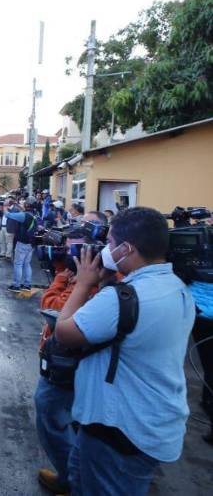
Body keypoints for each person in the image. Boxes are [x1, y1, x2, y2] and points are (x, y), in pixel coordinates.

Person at [55, 207, 196, 495]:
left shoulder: (122, 298)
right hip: (150, 422)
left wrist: (83, 284)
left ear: (126, 248)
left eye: (109, 243)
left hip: (119, 429)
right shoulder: (176, 286)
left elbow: (64, 332)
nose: (105, 249)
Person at [34, 211, 112, 494]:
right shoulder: (81, 276)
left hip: (69, 363)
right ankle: (72, 476)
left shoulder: (93, 283)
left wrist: (66, 281)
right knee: (73, 421)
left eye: (74, 250)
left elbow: (52, 308)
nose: (69, 255)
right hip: (67, 360)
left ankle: (71, 479)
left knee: (50, 413)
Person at [190, 280, 213, 444]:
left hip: (201, 313)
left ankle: (208, 402)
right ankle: (207, 400)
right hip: (201, 312)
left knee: (210, 366)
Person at [5, 202, 37, 292]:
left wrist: (5, 206)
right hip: (31, 243)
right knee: (27, 264)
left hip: (22, 243)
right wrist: (17, 205)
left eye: (23, 204)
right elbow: (23, 211)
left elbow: (8, 214)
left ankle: (16, 285)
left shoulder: (24, 216)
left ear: (26, 206)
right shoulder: (34, 215)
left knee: (18, 264)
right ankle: (27, 285)